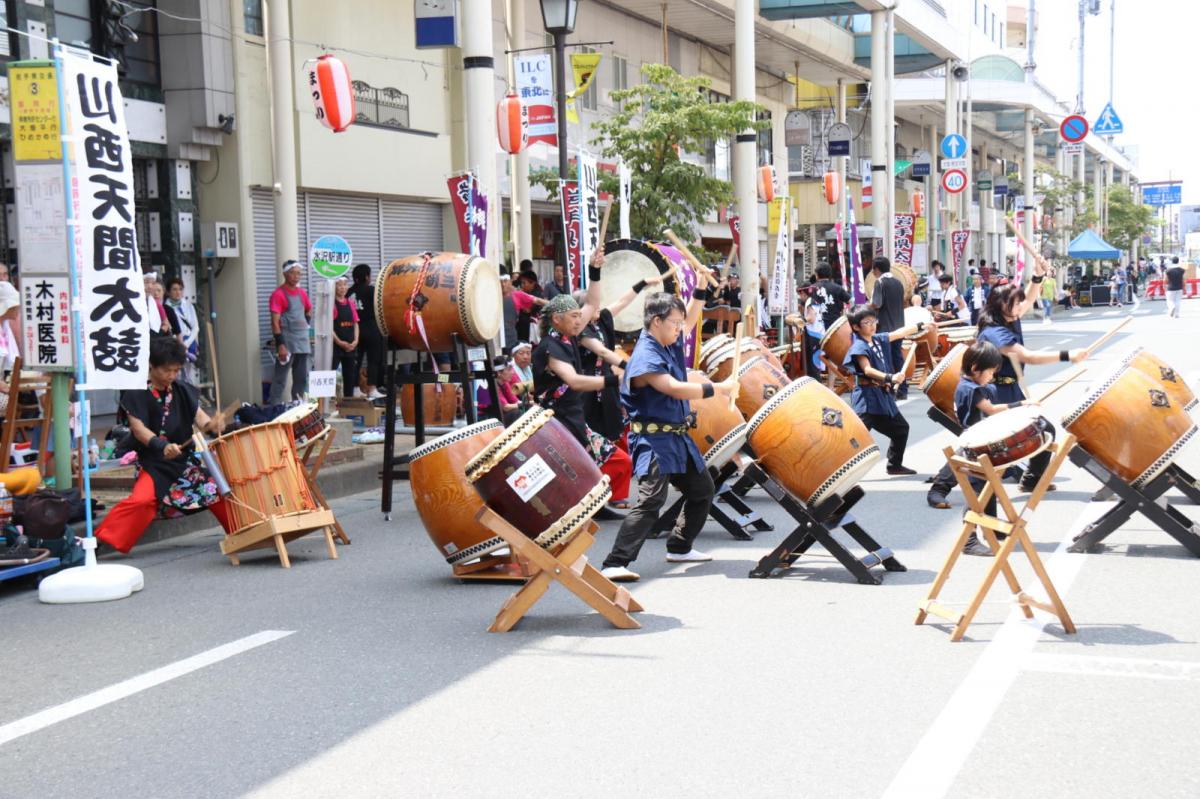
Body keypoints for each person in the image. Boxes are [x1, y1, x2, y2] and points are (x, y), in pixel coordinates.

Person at [600, 285, 738, 582]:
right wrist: (719, 388)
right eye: (674, 323)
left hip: (676, 436)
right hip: (653, 439)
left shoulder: (666, 342)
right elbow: (671, 388)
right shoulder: (645, 354)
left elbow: (689, 322)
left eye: (678, 323)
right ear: (656, 321)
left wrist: (700, 289)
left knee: (702, 490)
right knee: (651, 501)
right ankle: (614, 562)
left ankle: (680, 545)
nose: (680, 328)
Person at [96, 337, 230, 553]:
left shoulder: (183, 390)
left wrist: (214, 424)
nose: (172, 376)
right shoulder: (135, 392)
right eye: (167, 370)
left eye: (176, 370)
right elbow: (138, 429)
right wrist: (161, 446)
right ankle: (100, 542)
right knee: (142, 501)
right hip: (153, 462)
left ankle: (240, 531)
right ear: (152, 366)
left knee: (218, 488)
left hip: (183, 462)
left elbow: (203, 421)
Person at [532, 249, 633, 515]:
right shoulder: (549, 347)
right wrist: (614, 380)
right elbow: (574, 382)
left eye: (580, 316)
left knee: (619, 460)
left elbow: (592, 303)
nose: (581, 319)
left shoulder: (569, 336)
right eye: (574, 316)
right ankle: (575, 509)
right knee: (570, 472)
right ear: (557, 319)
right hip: (555, 425)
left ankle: (594, 504)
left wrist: (595, 271)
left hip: (574, 418)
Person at [976, 276, 1086, 493]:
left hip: (1011, 389)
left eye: (1018, 303)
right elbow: (1030, 357)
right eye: (1015, 303)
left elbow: (1029, 297)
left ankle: (1031, 480)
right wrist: (1068, 355)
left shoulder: (1009, 317)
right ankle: (943, 485)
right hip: (996, 392)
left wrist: (1037, 276)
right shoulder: (994, 331)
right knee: (985, 445)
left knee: (1042, 431)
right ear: (1002, 305)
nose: (1021, 306)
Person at [926, 342, 1033, 533]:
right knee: (978, 495)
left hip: (979, 444)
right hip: (975, 445)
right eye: (990, 371)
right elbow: (990, 409)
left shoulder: (975, 385)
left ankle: (994, 531)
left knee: (988, 491)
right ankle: (969, 539)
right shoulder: (970, 389)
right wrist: (1022, 404)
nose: (992, 376)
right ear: (975, 368)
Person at [575, 270, 669, 443]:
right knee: (594, 428)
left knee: (613, 425)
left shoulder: (600, 319)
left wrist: (643, 282)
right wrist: (630, 366)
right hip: (589, 384)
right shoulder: (580, 330)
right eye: (592, 305)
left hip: (607, 381)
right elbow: (603, 351)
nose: (598, 306)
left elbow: (622, 301)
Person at [843, 304, 923, 476]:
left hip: (882, 397)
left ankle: (894, 465)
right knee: (855, 439)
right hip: (867, 399)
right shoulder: (858, 346)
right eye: (867, 322)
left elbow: (899, 333)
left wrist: (921, 326)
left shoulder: (877, 339)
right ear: (856, 326)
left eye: (873, 320)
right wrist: (890, 377)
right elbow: (867, 370)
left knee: (901, 429)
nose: (872, 325)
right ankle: (835, 470)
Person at [269, 260, 312, 403]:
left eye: (299, 273)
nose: (296, 276)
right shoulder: (278, 294)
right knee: (280, 379)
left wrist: (306, 323)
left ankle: (297, 407)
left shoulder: (302, 293)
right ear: (285, 274)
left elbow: (309, 309)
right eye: (293, 273)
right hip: (287, 342)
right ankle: (273, 408)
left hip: (302, 341)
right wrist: (280, 344)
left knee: (301, 378)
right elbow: (275, 322)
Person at [869, 256, 908, 399]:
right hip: (899, 326)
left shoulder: (880, 282)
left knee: (886, 358)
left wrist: (867, 307)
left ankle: (890, 389)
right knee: (897, 357)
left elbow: (877, 304)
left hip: (885, 327)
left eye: (873, 269)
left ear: (877, 269)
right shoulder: (898, 283)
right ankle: (903, 389)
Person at [347, 263, 385, 399]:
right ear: (367, 277)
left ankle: (355, 388)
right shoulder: (371, 290)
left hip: (354, 331)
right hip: (371, 329)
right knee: (373, 360)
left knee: (356, 360)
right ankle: (372, 389)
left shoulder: (348, 292)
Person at [165, 278, 200, 384]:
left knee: (189, 374)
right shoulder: (165, 307)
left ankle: (191, 397)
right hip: (174, 343)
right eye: (174, 289)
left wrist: (186, 343)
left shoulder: (189, 305)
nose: (178, 292)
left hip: (189, 343)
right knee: (177, 373)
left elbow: (195, 327)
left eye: (180, 289)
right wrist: (179, 343)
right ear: (168, 291)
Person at [331, 275, 359, 399]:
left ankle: (349, 401)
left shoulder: (351, 303)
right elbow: (328, 327)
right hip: (336, 347)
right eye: (339, 285)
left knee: (350, 375)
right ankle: (328, 403)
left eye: (345, 284)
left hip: (350, 345)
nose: (342, 288)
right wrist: (339, 342)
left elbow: (356, 323)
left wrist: (356, 340)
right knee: (330, 374)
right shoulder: (331, 304)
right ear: (334, 287)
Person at [476, 356, 521, 424]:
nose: (512, 372)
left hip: (496, 415)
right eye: (509, 370)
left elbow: (514, 400)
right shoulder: (490, 385)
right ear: (499, 373)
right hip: (485, 418)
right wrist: (523, 404)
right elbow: (505, 407)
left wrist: (530, 403)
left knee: (526, 409)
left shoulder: (504, 383)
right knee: (517, 413)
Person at [811, 261, 851, 332]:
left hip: (817, 328)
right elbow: (850, 301)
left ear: (816, 275)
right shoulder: (837, 288)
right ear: (830, 274)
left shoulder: (812, 288)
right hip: (835, 327)